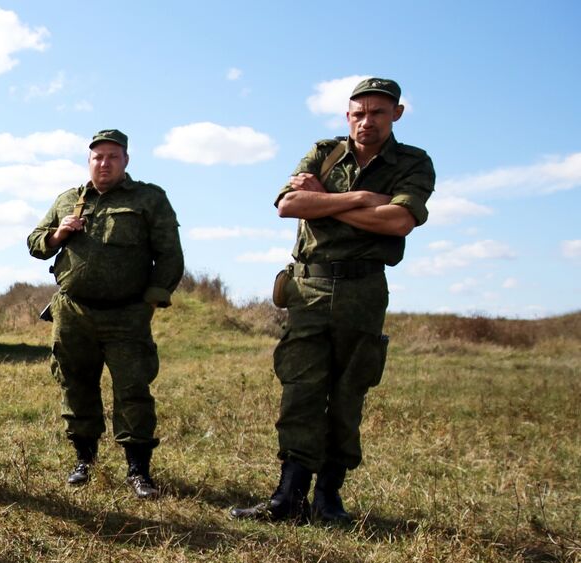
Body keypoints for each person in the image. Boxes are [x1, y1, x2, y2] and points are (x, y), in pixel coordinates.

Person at [232, 78, 433, 524]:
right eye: (359, 113)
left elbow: (399, 220)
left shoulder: (413, 163)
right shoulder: (325, 152)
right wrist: (361, 199)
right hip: (309, 288)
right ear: (347, 116)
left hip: (363, 290)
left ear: (396, 114)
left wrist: (324, 201)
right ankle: (287, 498)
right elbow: (288, 205)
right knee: (300, 390)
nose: (367, 121)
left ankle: (328, 498)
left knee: (347, 394)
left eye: (378, 112)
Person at [28, 129, 184, 498]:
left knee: (133, 389)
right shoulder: (69, 199)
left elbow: (170, 254)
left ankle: (138, 470)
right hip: (73, 313)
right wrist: (58, 234)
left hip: (127, 314)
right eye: (98, 157)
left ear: (125, 160)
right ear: (89, 161)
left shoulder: (149, 199)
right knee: (76, 384)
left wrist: (151, 302)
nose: (105, 163)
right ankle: (84, 460)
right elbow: (35, 243)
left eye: (113, 156)